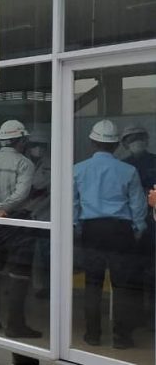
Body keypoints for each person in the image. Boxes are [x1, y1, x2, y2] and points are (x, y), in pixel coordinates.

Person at [74, 120, 147, 349]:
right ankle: (121, 338)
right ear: (116, 145)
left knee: (93, 284)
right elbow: (138, 206)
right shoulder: (128, 170)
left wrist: (77, 229)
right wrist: (138, 229)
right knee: (122, 286)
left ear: (92, 142)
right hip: (120, 230)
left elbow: (73, 205)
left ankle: (92, 335)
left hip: (92, 230)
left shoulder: (78, 169)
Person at [0, 120, 41, 338]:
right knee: (19, 276)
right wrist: (2, 209)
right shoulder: (25, 164)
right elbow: (21, 194)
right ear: (20, 140)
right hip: (17, 223)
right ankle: (15, 326)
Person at [121, 125, 156, 329]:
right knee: (133, 272)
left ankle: (152, 317)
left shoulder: (154, 161)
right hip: (131, 225)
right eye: (132, 138)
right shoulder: (122, 166)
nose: (137, 141)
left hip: (152, 223)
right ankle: (135, 316)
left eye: (140, 137)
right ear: (125, 143)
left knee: (153, 272)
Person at [24, 130, 51, 299]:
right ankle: (27, 286)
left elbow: (40, 188)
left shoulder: (51, 165)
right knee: (26, 256)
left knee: (44, 256)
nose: (38, 148)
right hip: (24, 216)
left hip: (44, 216)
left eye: (41, 145)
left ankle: (44, 287)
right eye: (35, 145)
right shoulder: (23, 163)